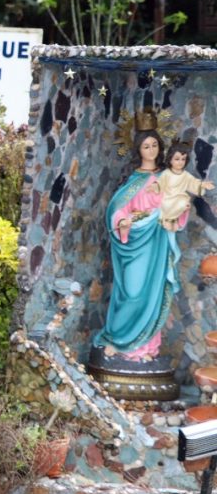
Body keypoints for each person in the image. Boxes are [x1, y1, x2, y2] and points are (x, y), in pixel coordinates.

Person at [94, 120, 179, 362]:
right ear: (138, 150)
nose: (151, 150)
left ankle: (144, 349)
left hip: (156, 243)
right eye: (145, 146)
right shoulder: (133, 180)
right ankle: (118, 339)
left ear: (160, 148)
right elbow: (116, 209)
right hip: (134, 243)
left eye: (154, 145)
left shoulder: (166, 177)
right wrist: (123, 221)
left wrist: (165, 213)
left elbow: (177, 206)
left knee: (151, 293)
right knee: (130, 292)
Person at [158, 141, 214, 231]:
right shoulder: (166, 173)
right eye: (177, 159)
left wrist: (202, 185)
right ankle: (167, 220)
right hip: (168, 198)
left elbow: (193, 183)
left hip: (180, 198)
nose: (180, 162)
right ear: (170, 159)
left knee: (184, 202)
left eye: (183, 159)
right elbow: (159, 183)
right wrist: (155, 187)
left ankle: (174, 220)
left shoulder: (185, 174)